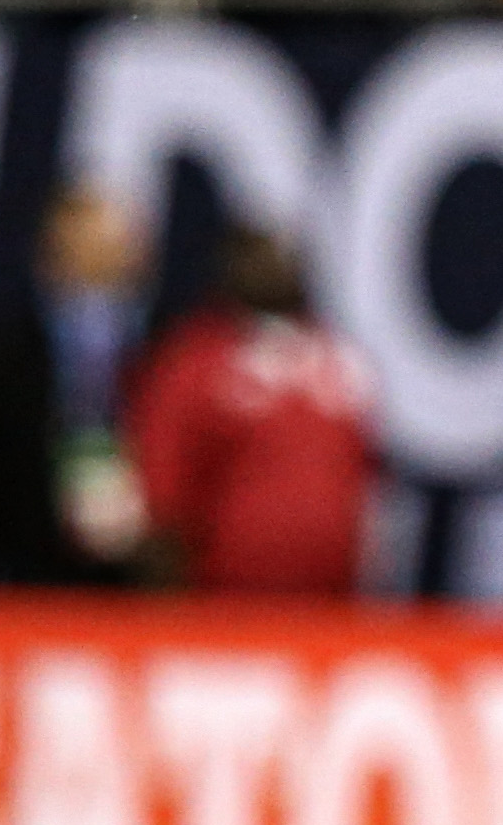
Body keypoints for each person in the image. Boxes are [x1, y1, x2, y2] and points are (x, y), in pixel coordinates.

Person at [125, 226, 378, 599]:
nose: (272, 272)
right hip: (224, 601)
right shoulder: (197, 358)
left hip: (329, 604)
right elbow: (160, 495)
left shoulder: (339, 358)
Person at [0, 178, 157, 589]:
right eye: (100, 239)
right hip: (27, 569)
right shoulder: (9, 350)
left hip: (129, 578)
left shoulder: (160, 348)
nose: (126, 251)